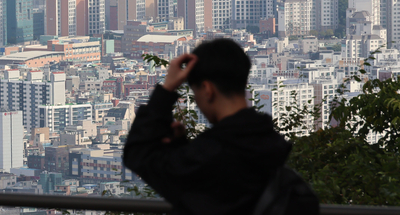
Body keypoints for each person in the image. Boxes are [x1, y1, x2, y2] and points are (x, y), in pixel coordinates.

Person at [123, 38, 292, 215]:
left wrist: (166, 90)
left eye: (195, 93)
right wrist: (181, 147)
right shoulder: (270, 142)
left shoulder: (212, 155)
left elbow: (139, 154)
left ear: (207, 89)